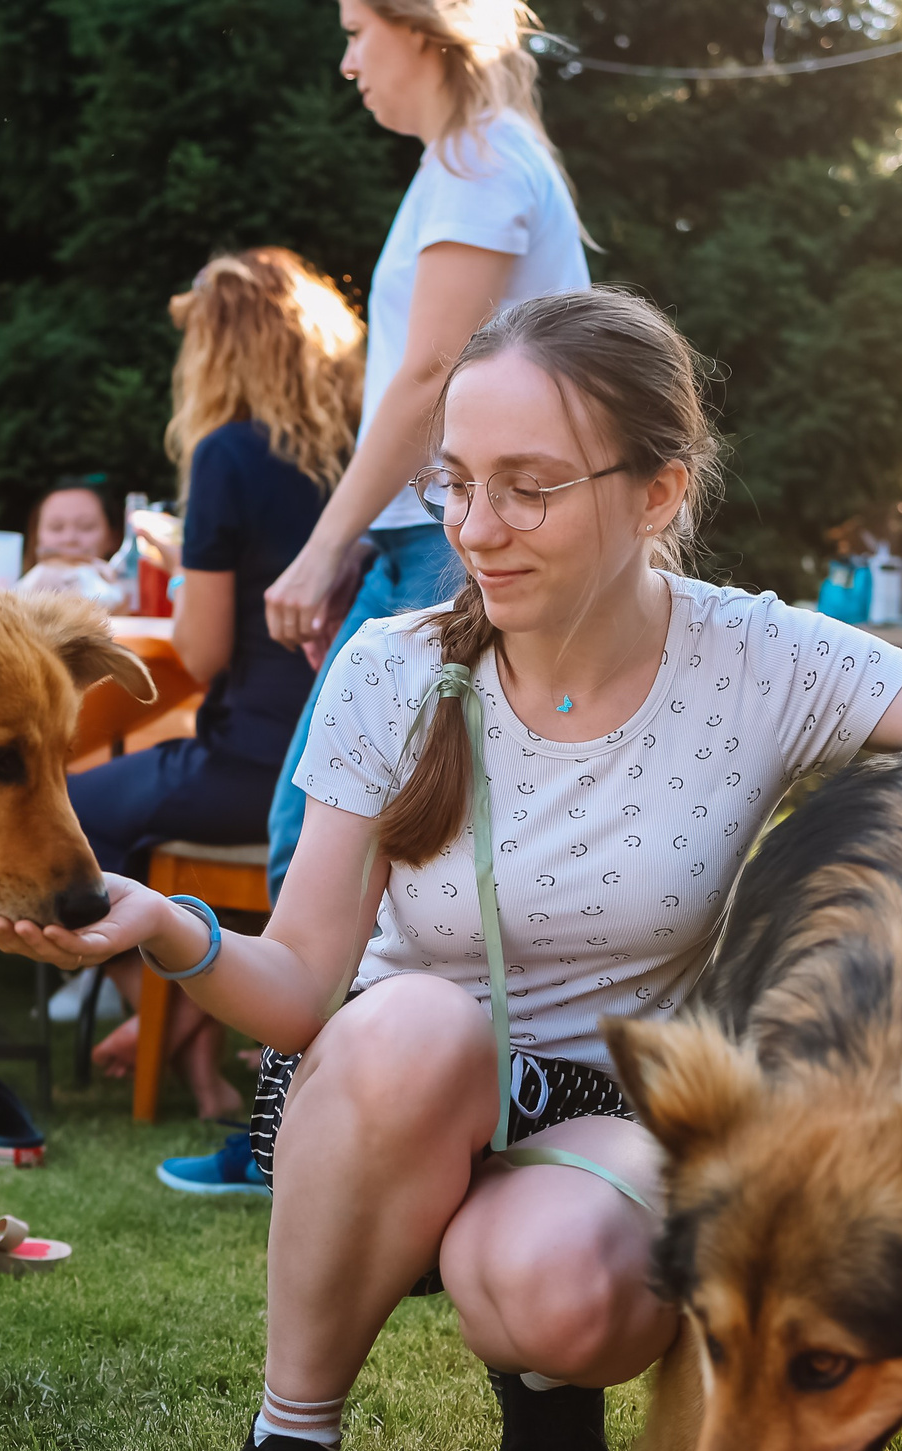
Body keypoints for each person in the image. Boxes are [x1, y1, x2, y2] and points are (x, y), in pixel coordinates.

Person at [0, 288, 902, 1451]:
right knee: (422, 1022)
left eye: (528, 488)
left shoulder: (755, 659)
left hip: (603, 1112)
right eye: (459, 483)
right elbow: (302, 988)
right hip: (382, 1092)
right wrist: (172, 928)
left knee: (575, 1294)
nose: (479, 528)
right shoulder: (393, 668)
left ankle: (543, 1408)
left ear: (656, 493)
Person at [261, 0, 592, 895]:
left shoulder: (476, 163)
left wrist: (322, 547)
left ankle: (326, 1036)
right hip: (434, 535)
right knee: (356, 844)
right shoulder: (473, 159)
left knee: (319, 850)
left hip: (455, 543)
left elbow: (436, 373)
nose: (347, 62)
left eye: (355, 33)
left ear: (418, 29)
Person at [68, 248, 358, 1159]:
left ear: (218, 349)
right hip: (336, 765)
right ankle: (193, 1054)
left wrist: (177, 551)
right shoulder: (356, 456)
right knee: (144, 818)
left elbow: (198, 652)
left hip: (248, 767)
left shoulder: (226, 453)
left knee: (69, 814)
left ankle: (161, 1021)